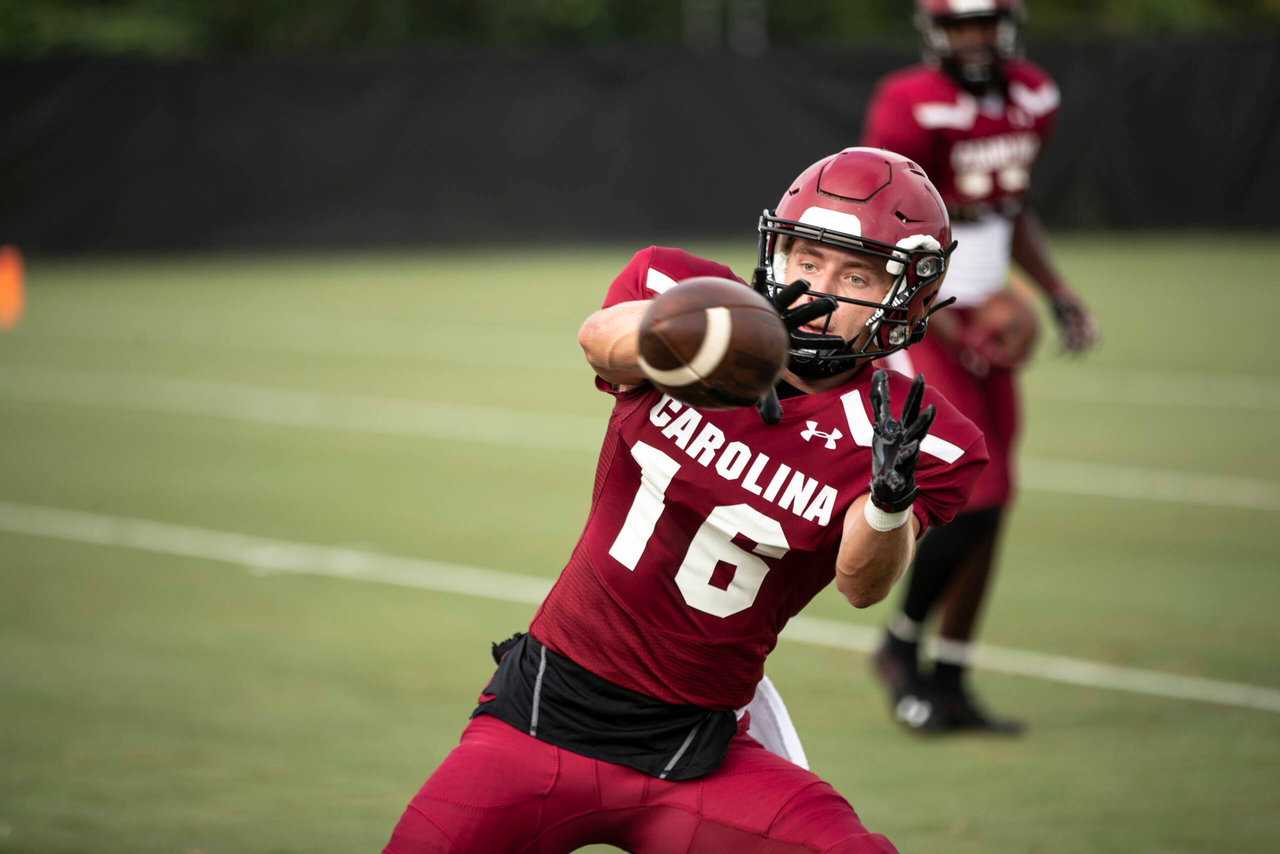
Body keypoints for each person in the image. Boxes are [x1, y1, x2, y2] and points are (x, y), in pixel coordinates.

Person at [383, 148, 989, 854]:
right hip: (540, 717)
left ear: (907, 301)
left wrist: (889, 497)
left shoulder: (921, 432)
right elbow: (597, 343)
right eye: (805, 260)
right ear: (774, 253)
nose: (821, 290)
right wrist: (704, 338)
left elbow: (862, 584)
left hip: (698, 755)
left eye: (855, 274)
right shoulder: (683, 293)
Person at [861, 0, 1099, 734]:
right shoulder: (910, 103)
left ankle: (954, 680)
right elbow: (884, 220)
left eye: (985, 22)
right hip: (925, 311)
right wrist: (947, 311)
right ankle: (900, 650)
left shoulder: (1032, 94)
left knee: (998, 502)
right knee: (976, 491)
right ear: (936, 30)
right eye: (960, 24)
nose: (974, 38)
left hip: (987, 304)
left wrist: (1055, 292)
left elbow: (1011, 208)